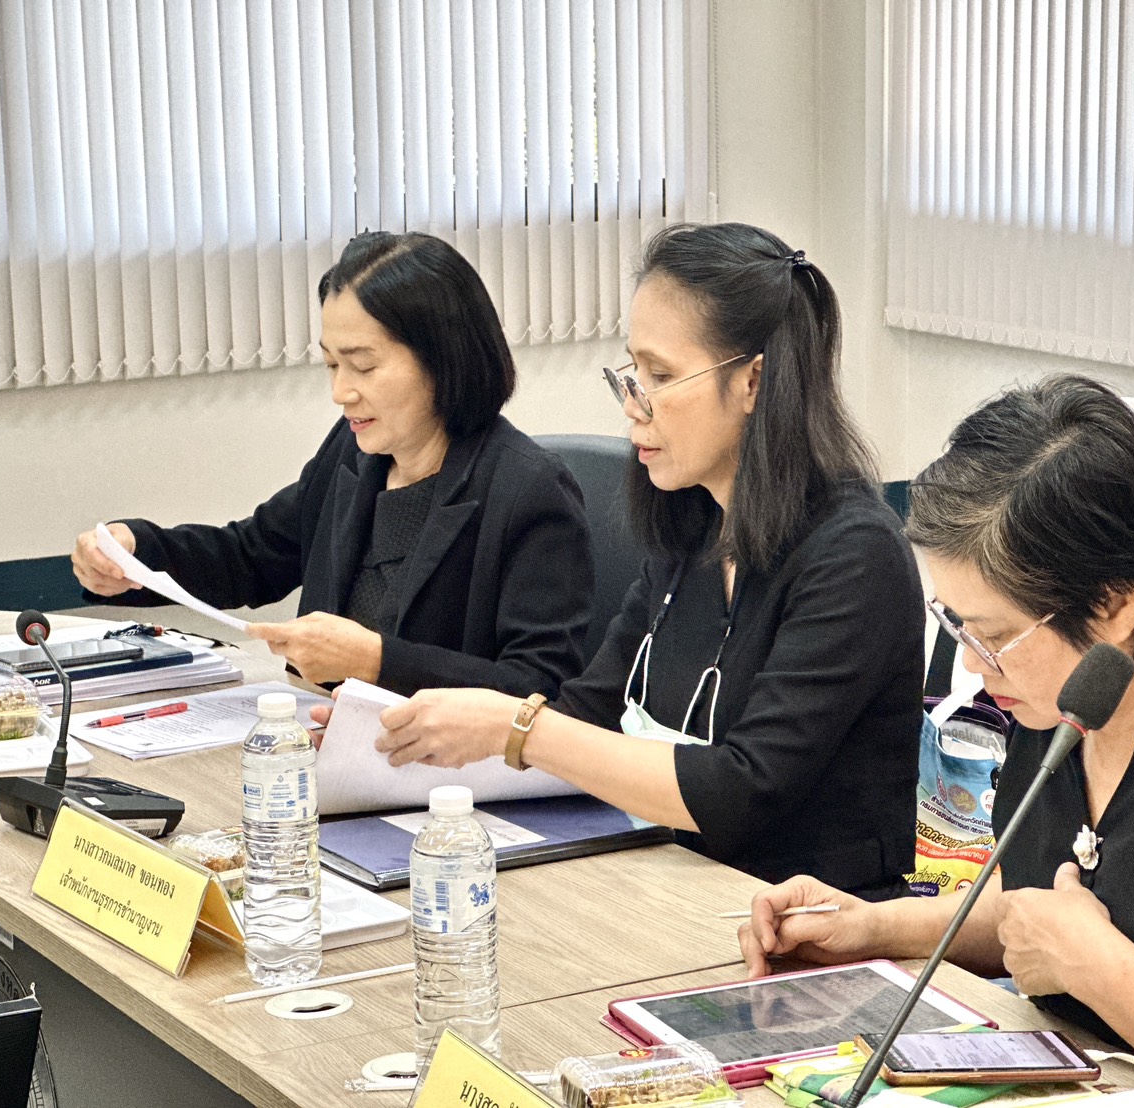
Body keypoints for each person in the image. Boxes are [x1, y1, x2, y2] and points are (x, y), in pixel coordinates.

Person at [738, 375, 1134, 1106]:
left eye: (996, 635)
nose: (973, 665)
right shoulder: (1059, 713)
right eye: (957, 627)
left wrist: (1099, 968)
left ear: (1114, 605)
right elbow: (1037, 906)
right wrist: (873, 927)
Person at [364, 222, 925, 899]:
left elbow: (741, 789)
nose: (633, 406)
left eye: (660, 377)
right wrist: (389, 749)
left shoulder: (854, 555)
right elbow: (590, 711)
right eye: (632, 373)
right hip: (668, 884)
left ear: (753, 380)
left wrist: (516, 728)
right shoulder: (693, 522)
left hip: (805, 921)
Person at [71, 231, 594, 698]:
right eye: (331, 364)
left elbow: (538, 688)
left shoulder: (528, 490)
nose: (340, 392)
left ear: (444, 360)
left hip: (441, 770)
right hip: (322, 737)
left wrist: (378, 662)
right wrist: (137, 552)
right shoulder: (354, 453)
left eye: (362, 366)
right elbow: (252, 556)